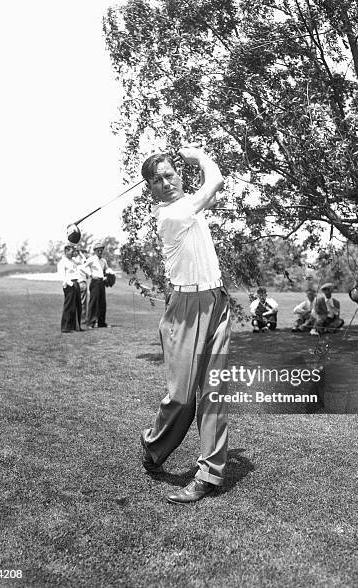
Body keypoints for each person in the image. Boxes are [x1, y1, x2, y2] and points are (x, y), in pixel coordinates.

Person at [140, 146, 231, 505]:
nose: (165, 183)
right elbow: (217, 180)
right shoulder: (171, 215)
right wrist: (199, 155)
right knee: (180, 397)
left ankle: (209, 473)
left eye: (169, 175)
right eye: (156, 180)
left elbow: (206, 192)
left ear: (177, 175)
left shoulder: (186, 205)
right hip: (183, 309)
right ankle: (154, 447)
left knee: (214, 393)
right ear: (150, 189)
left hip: (215, 301)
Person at [84, 242, 114, 328]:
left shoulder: (103, 260)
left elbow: (106, 269)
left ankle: (101, 322)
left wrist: (108, 275)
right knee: (93, 302)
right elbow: (83, 267)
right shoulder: (91, 259)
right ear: (95, 251)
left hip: (101, 282)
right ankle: (90, 322)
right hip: (95, 281)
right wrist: (90, 274)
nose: (100, 251)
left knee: (102, 303)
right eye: (98, 250)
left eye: (101, 250)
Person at [57, 244, 82, 333]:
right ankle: (66, 328)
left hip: (76, 283)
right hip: (69, 285)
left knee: (78, 306)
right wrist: (71, 284)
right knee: (69, 307)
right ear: (66, 251)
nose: (72, 253)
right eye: (71, 252)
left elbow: (83, 262)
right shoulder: (62, 262)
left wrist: (79, 252)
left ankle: (76, 327)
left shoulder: (73, 261)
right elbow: (62, 277)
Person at [73, 248, 89, 325]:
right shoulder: (82, 262)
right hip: (82, 282)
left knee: (77, 302)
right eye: (86, 253)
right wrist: (81, 254)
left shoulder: (74, 261)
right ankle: (82, 319)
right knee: (83, 302)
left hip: (76, 283)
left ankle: (77, 319)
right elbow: (88, 274)